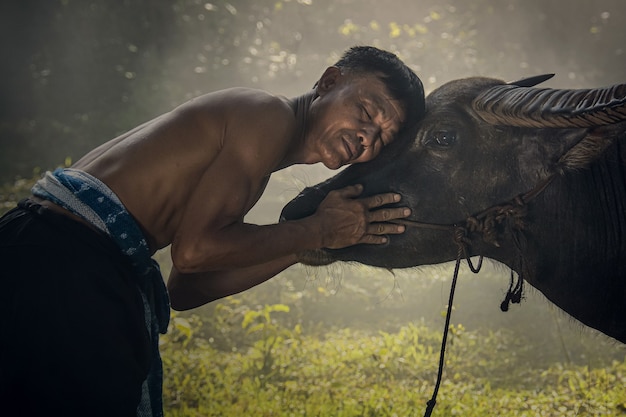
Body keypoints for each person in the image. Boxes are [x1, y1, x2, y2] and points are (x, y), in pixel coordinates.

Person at [0, 46, 425, 417]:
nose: (367, 137)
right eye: (367, 112)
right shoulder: (268, 116)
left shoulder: (261, 143)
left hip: (48, 255)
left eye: (383, 139)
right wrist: (317, 230)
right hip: (61, 265)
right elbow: (195, 251)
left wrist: (309, 244)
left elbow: (186, 288)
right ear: (328, 81)